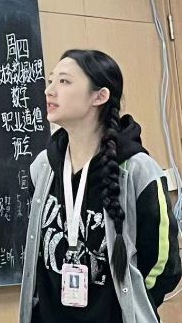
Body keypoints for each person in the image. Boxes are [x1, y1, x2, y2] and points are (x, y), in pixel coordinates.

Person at [19, 49, 181, 322]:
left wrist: (133, 306)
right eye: (50, 80)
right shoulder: (43, 168)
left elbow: (164, 265)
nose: (49, 91)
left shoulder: (137, 171)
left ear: (99, 96)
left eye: (64, 81)